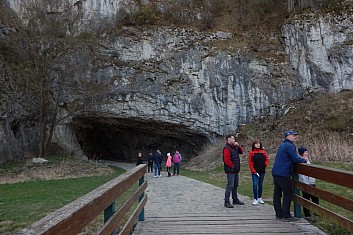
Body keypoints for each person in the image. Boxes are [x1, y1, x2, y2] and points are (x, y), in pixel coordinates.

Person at [272, 130, 308, 221]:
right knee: (288, 193)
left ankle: (279, 214)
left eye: (296, 135)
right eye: (293, 135)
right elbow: (295, 159)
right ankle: (286, 215)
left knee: (277, 193)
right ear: (287, 136)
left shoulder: (283, 145)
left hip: (276, 172)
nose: (295, 137)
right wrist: (304, 160)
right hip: (283, 173)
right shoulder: (289, 146)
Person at [223, 134, 245, 208]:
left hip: (235, 170)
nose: (234, 139)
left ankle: (235, 199)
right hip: (231, 170)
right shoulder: (227, 148)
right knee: (230, 186)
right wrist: (232, 166)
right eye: (233, 138)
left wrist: (238, 146)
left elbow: (241, 152)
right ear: (228, 139)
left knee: (235, 185)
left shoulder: (234, 147)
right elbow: (226, 160)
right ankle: (226, 201)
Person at [298, 147, 319, 221]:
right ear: (302, 153)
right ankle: (307, 214)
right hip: (306, 183)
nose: (307, 153)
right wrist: (305, 183)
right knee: (306, 198)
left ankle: (316, 211)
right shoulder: (301, 161)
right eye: (305, 152)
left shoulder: (307, 160)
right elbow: (302, 175)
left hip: (311, 182)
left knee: (315, 197)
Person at [248, 140, 269, 205]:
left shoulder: (263, 152)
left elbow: (267, 159)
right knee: (255, 184)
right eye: (256, 144)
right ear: (254, 145)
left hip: (262, 170)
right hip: (255, 171)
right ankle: (255, 198)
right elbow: (250, 161)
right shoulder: (251, 152)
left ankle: (259, 197)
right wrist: (253, 170)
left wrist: (265, 165)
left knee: (260, 184)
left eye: (258, 144)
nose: (257, 145)